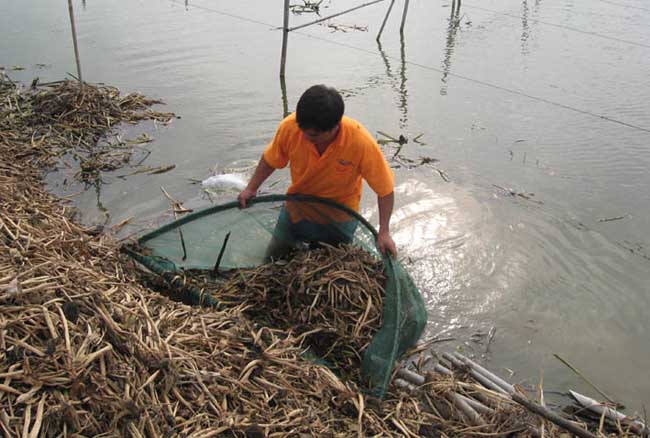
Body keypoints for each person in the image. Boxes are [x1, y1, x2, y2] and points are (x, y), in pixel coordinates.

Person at [237, 84, 397, 257]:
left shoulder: (360, 142)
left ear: (335, 126)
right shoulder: (290, 127)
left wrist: (384, 232)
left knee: (331, 266)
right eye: (302, 130)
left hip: (339, 217)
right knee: (274, 257)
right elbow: (270, 160)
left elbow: (385, 190)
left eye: (313, 135)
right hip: (297, 209)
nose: (305, 137)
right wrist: (251, 188)